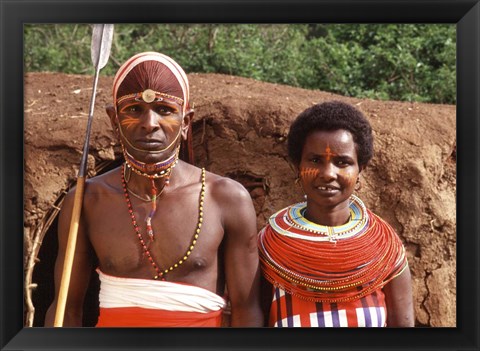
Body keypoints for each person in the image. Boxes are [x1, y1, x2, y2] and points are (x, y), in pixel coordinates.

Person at [45, 52, 263, 327]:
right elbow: (66, 309)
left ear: (185, 122)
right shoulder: (87, 200)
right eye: (134, 109)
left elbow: (247, 311)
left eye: (165, 110)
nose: (149, 123)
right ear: (114, 120)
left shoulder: (227, 198)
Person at [258, 100, 414, 327]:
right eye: (315, 160)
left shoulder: (386, 251)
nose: (328, 173)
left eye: (343, 162)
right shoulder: (270, 250)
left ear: (361, 169)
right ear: (297, 166)